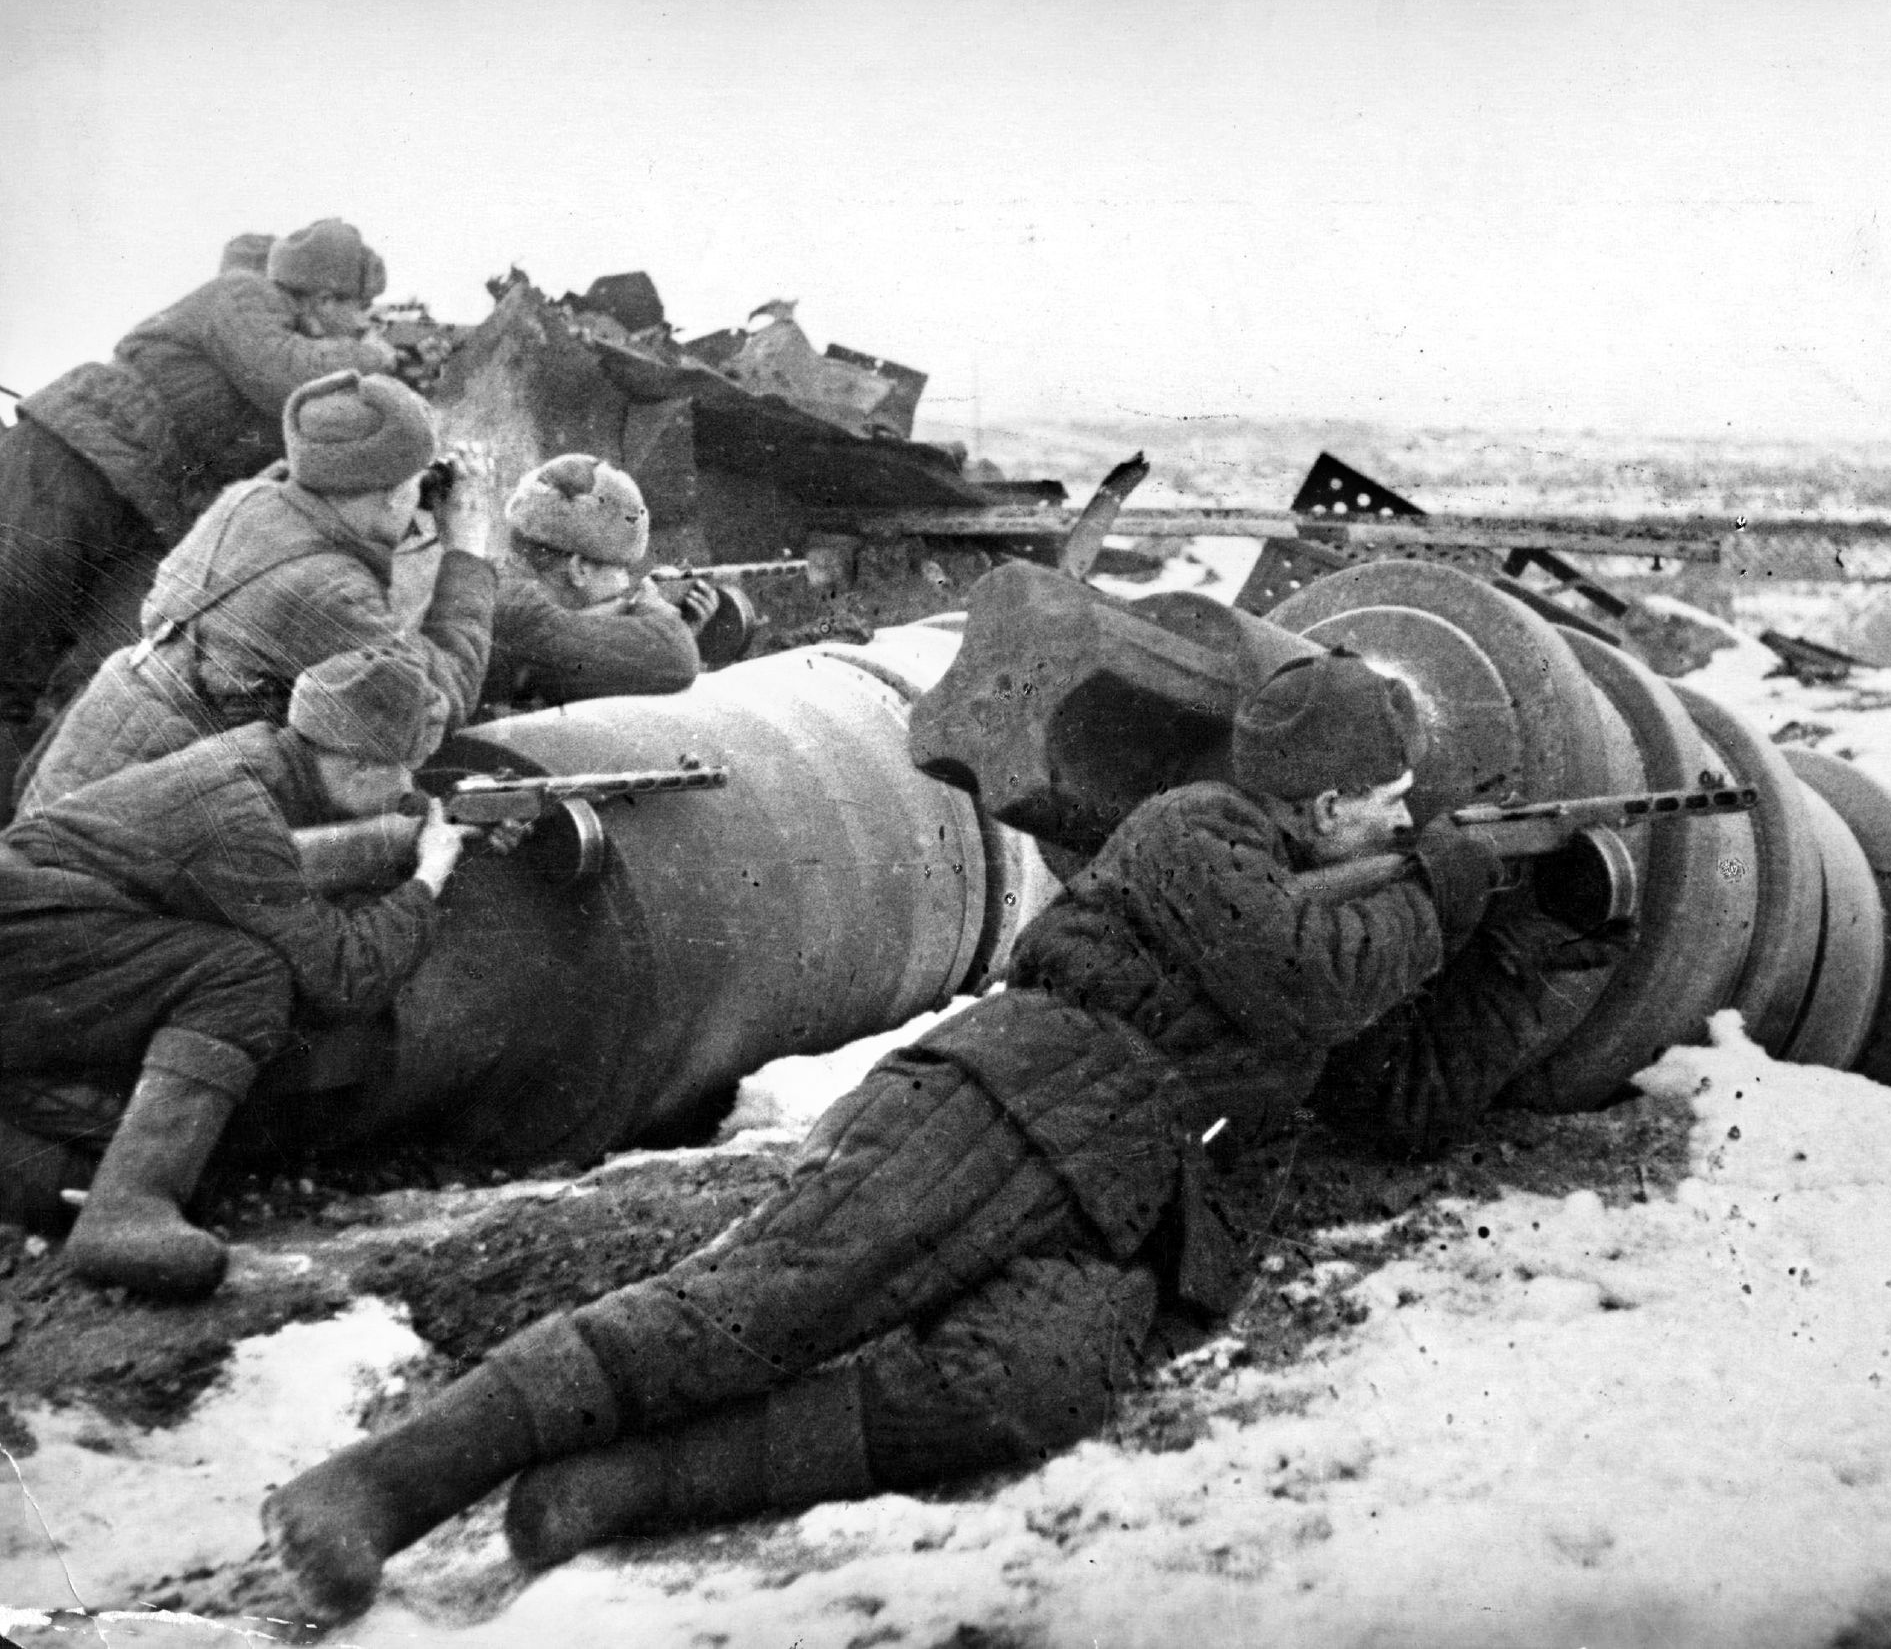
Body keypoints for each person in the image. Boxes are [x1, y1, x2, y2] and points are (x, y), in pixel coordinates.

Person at [261, 647, 1518, 1619]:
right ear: (1327, 800)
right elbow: (1309, 972)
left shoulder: (1340, 885)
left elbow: (1399, 1082)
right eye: (1392, 808)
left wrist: (1547, 940)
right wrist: (1442, 890)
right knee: (763, 1303)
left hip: (1134, 1189)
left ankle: (623, 1487)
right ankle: (387, 1483)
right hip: (1015, 1100)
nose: (1406, 830)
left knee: (1018, 1389)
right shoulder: (1198, 830)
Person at [0, 648, 478, 1298]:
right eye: (401, 773)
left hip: (40, 944)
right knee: (246, 974)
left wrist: (402, 841)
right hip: (29, 947)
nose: (406, 791)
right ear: (360, 762)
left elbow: (279, 867)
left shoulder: (254, 758)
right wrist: (428, 880)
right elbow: (344, 979)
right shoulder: (238, 815)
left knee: (68, 1172)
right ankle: (129, 1207)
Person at [0, 220, 399, 784]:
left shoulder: (306, 345)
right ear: (326, 296)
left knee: (104, 674)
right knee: (10, 628)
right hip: (76, 453)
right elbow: (282, 373)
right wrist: (374, 356)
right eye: (363, 307)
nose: (366, 323)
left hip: (150, 508)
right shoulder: (244, 295)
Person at [17, 367, 498, 814]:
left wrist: (403, 491)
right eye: (416, 485)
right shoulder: (328, 591)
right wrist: (469, 555)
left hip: (85, 771)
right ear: (394, 494)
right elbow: (429, 707)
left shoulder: (249, 500)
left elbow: (329, 518)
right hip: (129, 823)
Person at [478, 454, 713, 715]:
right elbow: (676, 658)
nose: (626, 581)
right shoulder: (524, 615)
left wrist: (661, 629)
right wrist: (657, 615)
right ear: (579, 569)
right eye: (621, 568)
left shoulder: (496, 586)